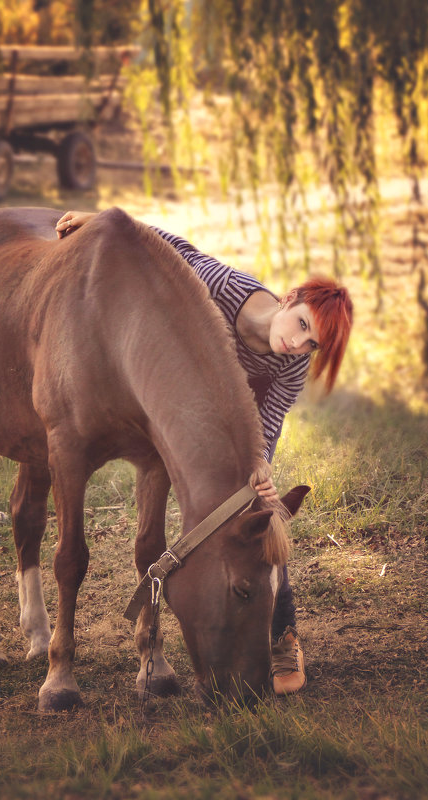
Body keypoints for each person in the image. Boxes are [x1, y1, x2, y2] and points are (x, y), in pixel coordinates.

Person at [55, 209, 353, 695]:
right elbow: (173, 251)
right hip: (192, 412)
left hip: (239, 434)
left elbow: (268, 426)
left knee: (262, 528)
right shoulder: (227, 289)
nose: (295, 343)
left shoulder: (291, 367)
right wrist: (98, 219)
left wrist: (261, 475)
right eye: (299, 324)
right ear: (290, 298)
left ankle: (282, 635)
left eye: (310, 343)